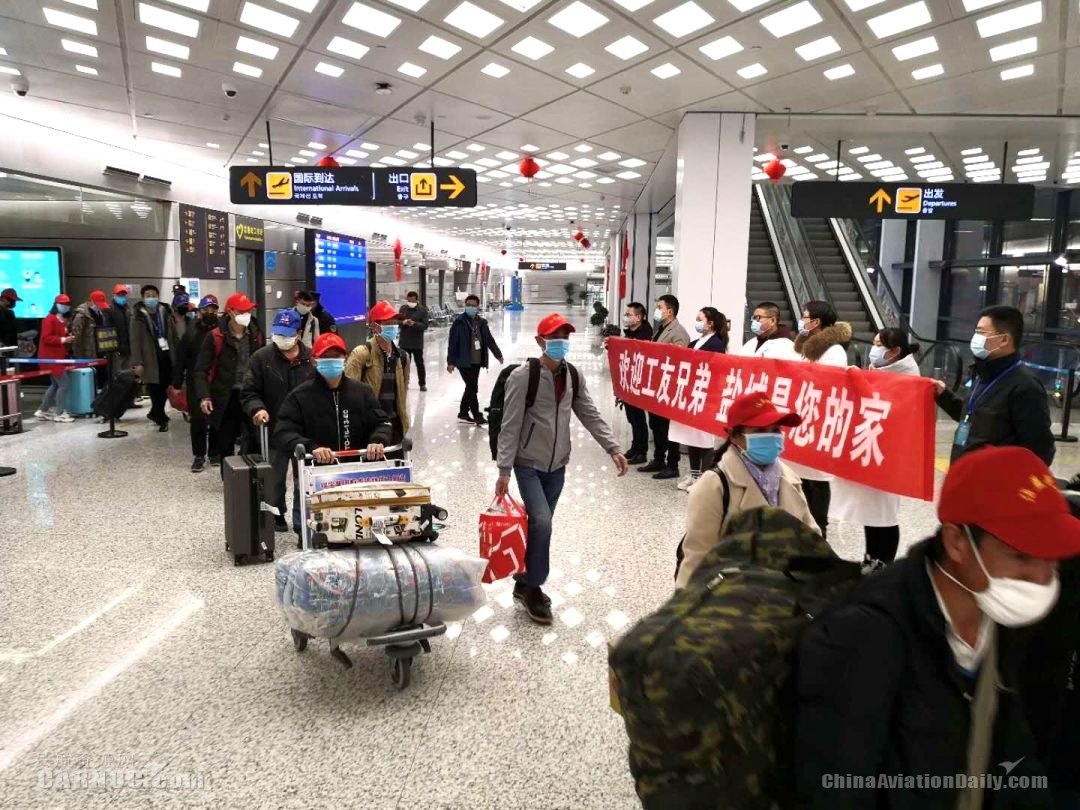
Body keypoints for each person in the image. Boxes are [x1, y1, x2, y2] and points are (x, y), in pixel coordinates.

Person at [796, 445, 1078, 810]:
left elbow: (1013, 750)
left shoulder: (1000, 616)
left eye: (1050, 556)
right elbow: (837, 789)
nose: (1041, 577)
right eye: (1020, 555)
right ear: (957, 542)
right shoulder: (863, 637)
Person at [495, 313, 629, 624]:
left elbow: (589, 413)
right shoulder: (522, 377)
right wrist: (504, 470)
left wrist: (613, 447)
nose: (561, 343)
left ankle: (521, 581)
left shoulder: (573, 375)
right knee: (542, 523)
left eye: (565, 338)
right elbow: (510, 425)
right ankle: (534, 589)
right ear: (540, 341)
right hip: (527, 464)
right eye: (555, 338)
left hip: (558, 465)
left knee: (539, 525)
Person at [674, 392, 817, 589]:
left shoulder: (789, 479)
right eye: (760, 430)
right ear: (734, 436)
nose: (771, 437)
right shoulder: (714, 485)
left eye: (776, 430)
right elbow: (697, 558)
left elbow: (812, 541)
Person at [830, 328, 923, 571]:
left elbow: (888, 408)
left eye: (878, 345)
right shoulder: (881, 370)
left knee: (885, 513)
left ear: (895, 351)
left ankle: (884, 562)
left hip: (891, 453)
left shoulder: (909, 375)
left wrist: (859, 382)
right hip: (873, 447)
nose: (874, 350)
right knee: (871, 509)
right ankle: (871, 557)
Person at [935, 305, 1054, 466]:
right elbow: (971, 416)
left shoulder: (1025, 387)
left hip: (994, 484)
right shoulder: (984, 373)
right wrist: (943, 395)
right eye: (976, 332)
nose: (975, 338)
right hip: (965, 476)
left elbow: (1040, 451)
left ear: (1004, 339)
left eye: (981, 332)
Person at [274, 332, 393, 476]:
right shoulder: (299, 396)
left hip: (358, 474)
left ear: (345, 359)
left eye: (336, 356)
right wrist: (311, 448)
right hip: (315, 476)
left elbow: (381, 423)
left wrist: (378, 440)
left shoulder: (362, 392)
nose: (331, 361)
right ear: (314, 361)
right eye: (325, 357)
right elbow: (284, 432)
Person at [241, 308, 315, 533]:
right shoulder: (262, 358)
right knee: (274, 478)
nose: (282, 339)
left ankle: (302, 521)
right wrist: (257, 409)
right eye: (279, 334)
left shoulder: (311, 359)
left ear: (299, 333)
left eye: (287, 334)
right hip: (274, 430)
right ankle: (277, 514)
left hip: (305, 432)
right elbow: (249, 391)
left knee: (304, 478)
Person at [787, 300, 851, 539]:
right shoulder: (807, 348)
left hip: (821, 418)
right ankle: (802, 521)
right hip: (804, 415)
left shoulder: (833, 351)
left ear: (817, 322)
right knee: (801, 475)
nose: (802, 320)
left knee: (818, 478)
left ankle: (819, 526)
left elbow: (826, 383)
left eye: (805, 316)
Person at [194, 293, 263, 473]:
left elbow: (263, 364)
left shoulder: (255, 333)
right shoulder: (215, 336)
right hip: (226, 396)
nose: (247, 314)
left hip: (251, 395)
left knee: (256, 439)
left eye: (249, 310)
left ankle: (253, 478)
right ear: (230, 312)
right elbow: (200, 370)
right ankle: (230, 481)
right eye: (243, 311)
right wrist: (204, 396)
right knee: (226, 442)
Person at [669, 307, 729, 491]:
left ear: (710, 323)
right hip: (691, 395)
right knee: (691, 437)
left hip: (706, 396)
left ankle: (705, 477)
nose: (696, 321)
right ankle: (694, 474)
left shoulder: (716, 344)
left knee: (704, 439)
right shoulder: (695, 342)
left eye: (699, 319)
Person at [639, 294, 691, 479]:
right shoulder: (661, 329)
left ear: (670, 311)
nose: (657, 310)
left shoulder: (679, 333)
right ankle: (658, 458)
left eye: (660, 307)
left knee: (668, 427)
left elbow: (679, 360)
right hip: (656, 386)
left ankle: (672, 464)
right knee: (656, 424)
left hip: (668, 387)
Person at [344, 300, 410, 442]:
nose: (393, 327)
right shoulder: (361, 354)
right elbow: (348, 393)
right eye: (387, 324)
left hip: (395, 425)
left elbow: (403, 392)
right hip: (370, 427)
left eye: (394, 323)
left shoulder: (402, 357)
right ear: (375, 326)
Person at [174, 294, 220, 472]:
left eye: (213, 309)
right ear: (200, 311)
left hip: (217, 380)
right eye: (206, 309)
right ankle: (199, 455)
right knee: (198, 420)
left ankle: (215, 453)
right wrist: (176, 382)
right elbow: (181, 358)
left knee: (216, 418)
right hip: (196, 381)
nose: (210, 312)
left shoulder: (221, 330)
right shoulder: (191, 331)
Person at [447, 293, 503, 425]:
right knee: (472, 388)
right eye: (468, 305)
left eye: (473, 305)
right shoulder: (459, 322)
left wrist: (498, 354)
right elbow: (452, 344)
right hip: (463, 361)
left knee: (471, 387)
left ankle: (463, 412)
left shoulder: (482, 323)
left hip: (477, 361)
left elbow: (489, 340)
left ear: (478, 307)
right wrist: (450, 362)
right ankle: (477, 415)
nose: (470, 307)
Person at [130, 284, 179, 431]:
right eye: (148, 295)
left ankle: (157, 412)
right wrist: (137, 362)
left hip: (166, 354)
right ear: (143, 298)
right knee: (155, 387)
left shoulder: (165, 311)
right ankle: (158, 414)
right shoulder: (138, 315)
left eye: (153, 295)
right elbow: (135, 340)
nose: (151, 298)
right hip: (150, 357)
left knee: (165, 386)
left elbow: (174, 334)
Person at [616, 302, 653, 464]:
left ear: (638, 317)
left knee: (638, 418)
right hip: (628, 381)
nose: (626, 317)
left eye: (629, 315)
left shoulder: (645, 334)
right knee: (631, 417)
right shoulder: (630, 333)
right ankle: (635, 446)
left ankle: (642, 451)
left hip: (639, 382)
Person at [34, 294, 76, 423]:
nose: (65, 306)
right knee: (63, 384)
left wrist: (67, 337)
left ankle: (43, 410)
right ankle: (59, 412)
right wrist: (64, 339)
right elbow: (46, 338)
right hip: (50, 358)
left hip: (56, 357)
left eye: (67, 304)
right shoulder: (49, 319)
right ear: (56, 304)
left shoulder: (61, 320)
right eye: (63, 304)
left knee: (55, 385)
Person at [69, 290, 111, 386]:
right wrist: (79, 358)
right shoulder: (81, 316)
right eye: (98, 304)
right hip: (88, 355)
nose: (99, 306)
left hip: (100, 353)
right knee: (90, 384)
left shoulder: (101, 314)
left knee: (102, 381)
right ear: (91, 301)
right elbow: (77, 338)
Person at [397, 290, 429, 392]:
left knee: (419, 363)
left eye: (412, 301)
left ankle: (422, 384)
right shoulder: (403, 308)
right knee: (404, 364)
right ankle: (404, 383)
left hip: (417, 343)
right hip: (404, 342)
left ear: (416, 300)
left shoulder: (423, 310)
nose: (410, 302)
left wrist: (414, 324)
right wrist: (404, 322)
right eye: (408, 300)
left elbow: (425, 325)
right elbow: (397, 321)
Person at [104, 284, 133, 372]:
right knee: (117, 374)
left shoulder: (128, 310)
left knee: (128, 373)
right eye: (119, 295)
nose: (122, 297)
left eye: (123, 295)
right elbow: (107, 330)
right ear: (114, 295)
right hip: (116, 350)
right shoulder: (109, 310)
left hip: (128, 349)